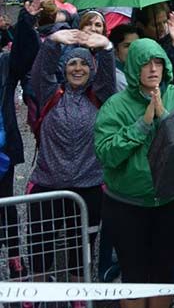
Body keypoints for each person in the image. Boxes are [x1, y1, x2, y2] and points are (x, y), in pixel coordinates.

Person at [93, 39, 174, 308]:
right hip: (126, 204)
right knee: (134, 274)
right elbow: (106, 154)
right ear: (133, 67)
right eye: (145, 63)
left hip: (170, 201)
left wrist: (164, 116)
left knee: (163, 272)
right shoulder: (115, 105)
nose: (153, 69)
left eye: (158, 62)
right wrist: (143, 124)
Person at [26, 28, 115, 288]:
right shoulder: (51, 94)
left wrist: (106, 48)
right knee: (40, 245)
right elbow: (40, 72)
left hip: (88, 187)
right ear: (64, 69)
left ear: (92, 69)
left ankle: (79, 297)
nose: (78, 68)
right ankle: (36, 295)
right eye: (72, 63)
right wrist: (53, 43)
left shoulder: (99, 98)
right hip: (47, 184)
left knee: (81, 246)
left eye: (84, 64)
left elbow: (108, 77)